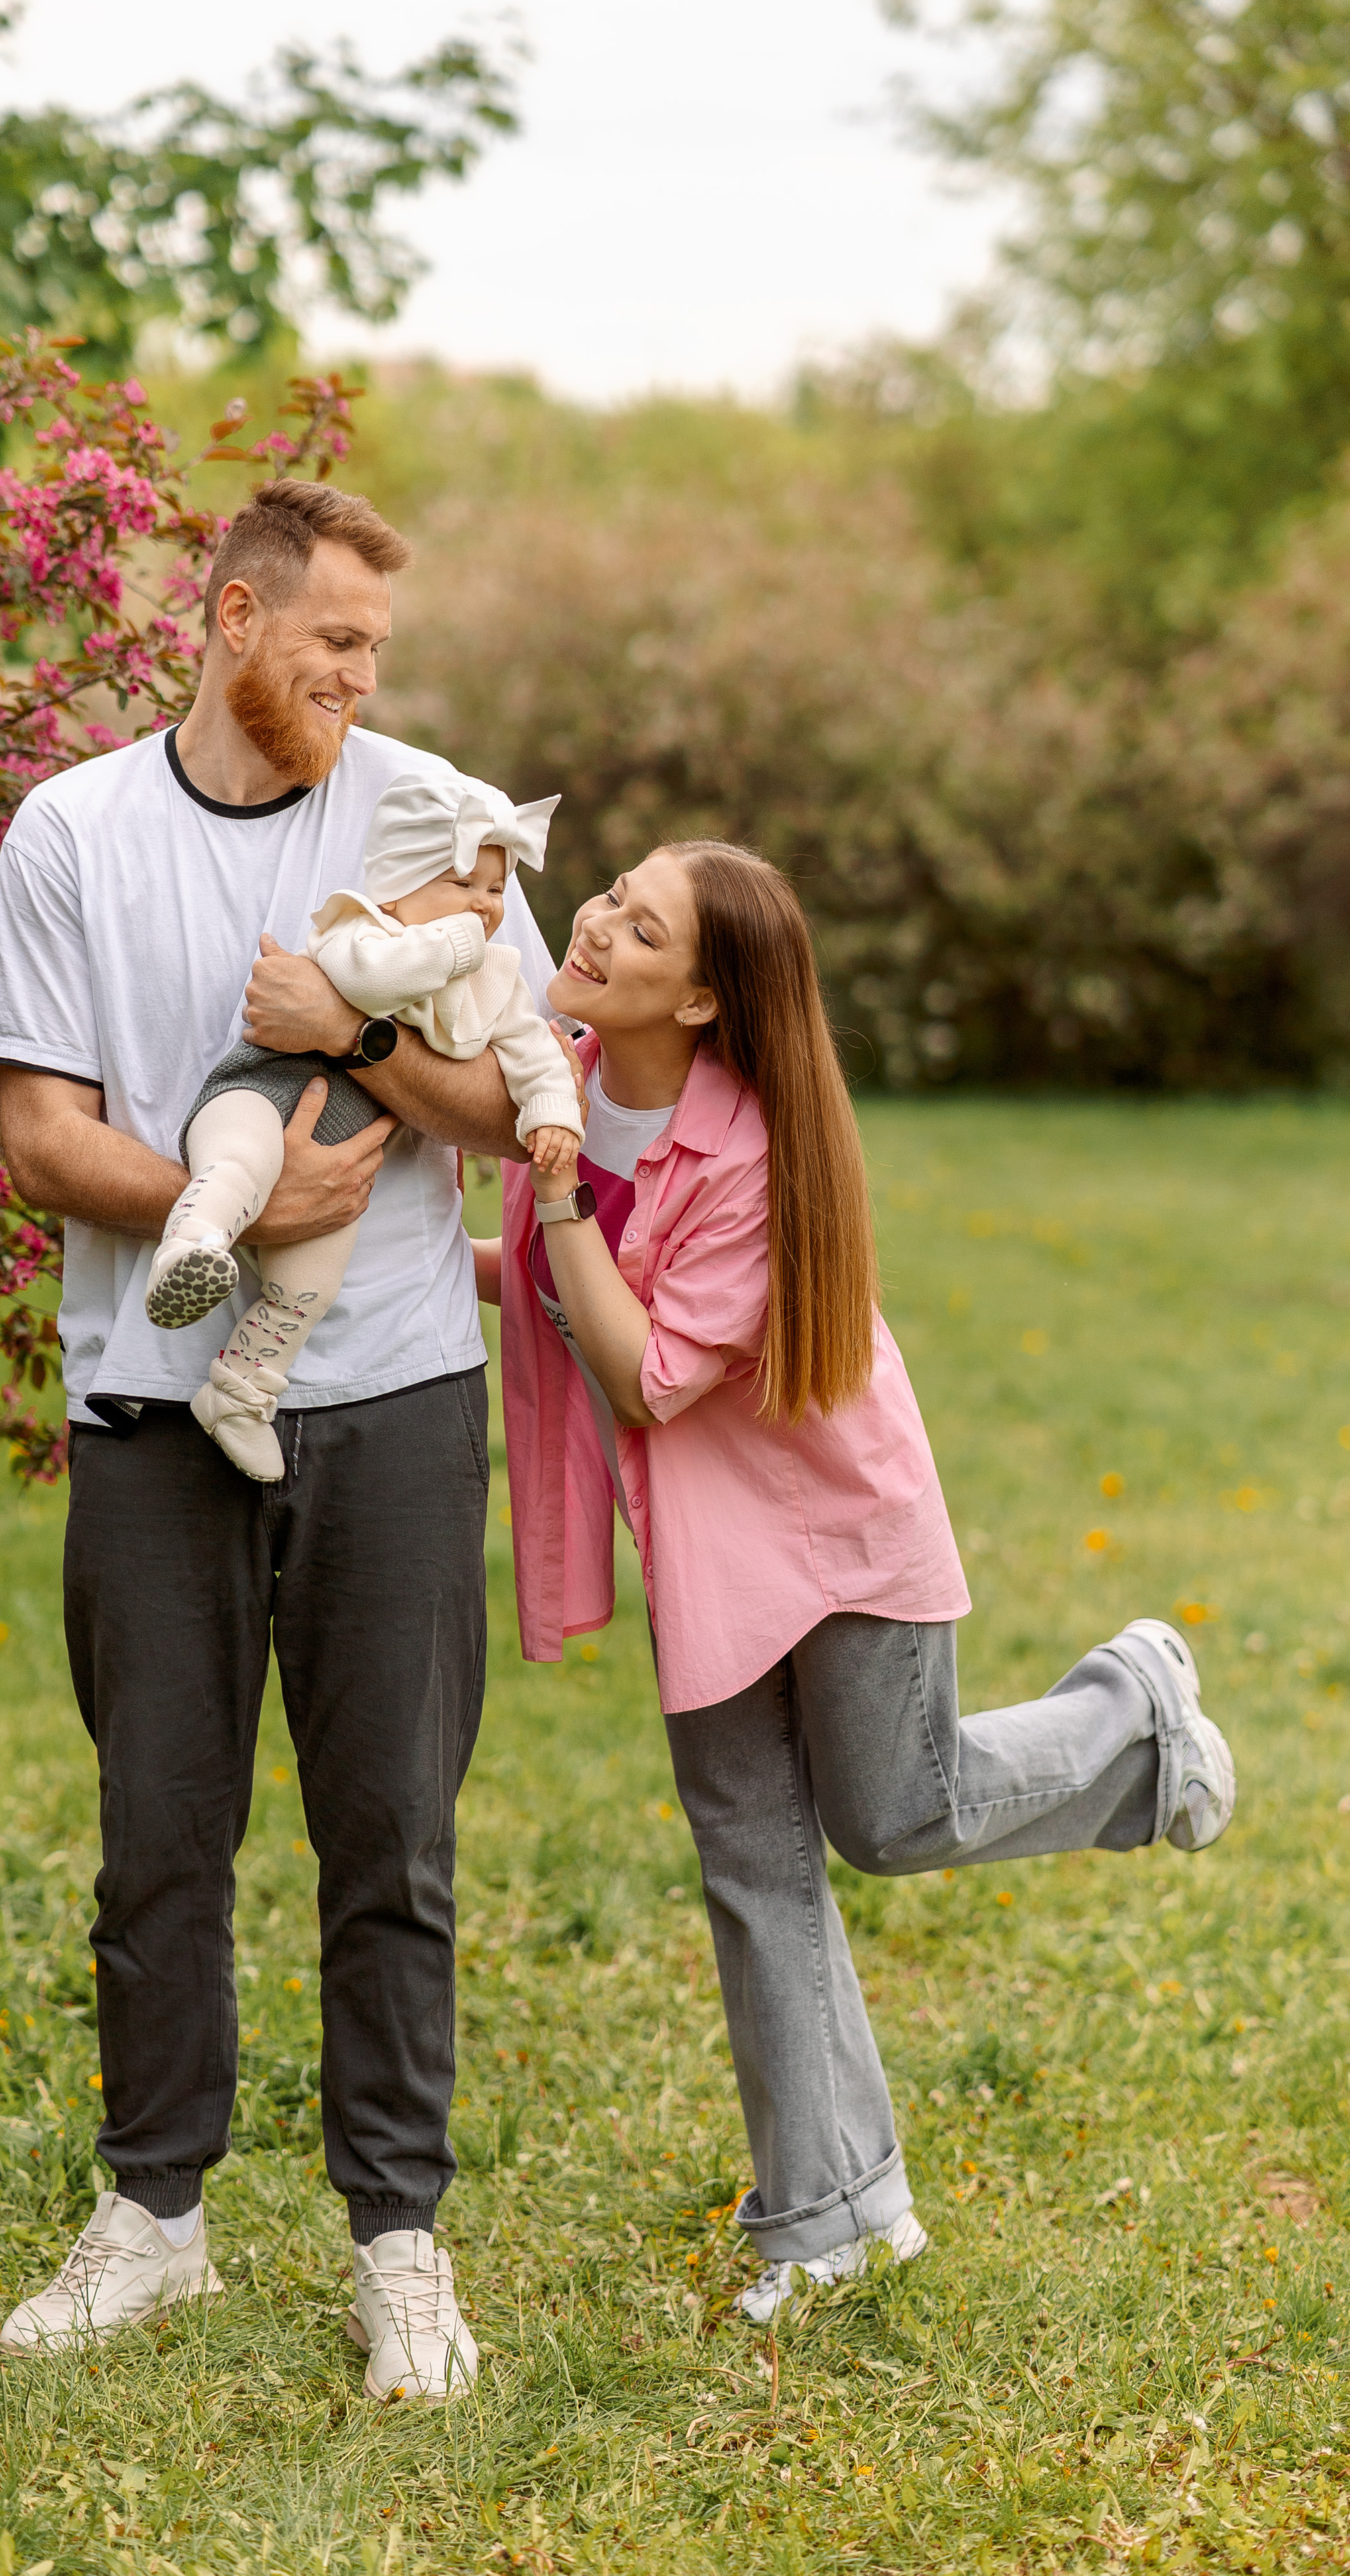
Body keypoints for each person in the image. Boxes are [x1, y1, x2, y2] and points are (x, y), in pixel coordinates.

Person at [0, 476, 555, 2401]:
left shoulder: (436, 813)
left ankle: (400, 2240)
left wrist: (360, 1042)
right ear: (232, 619)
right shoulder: (74, 829)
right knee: (160, 1837)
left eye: (378, 648)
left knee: (390, 1830)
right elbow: (38, 1134)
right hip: (149, 1402)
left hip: (390, 1398)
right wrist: (238, 1214)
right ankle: (157, 2219)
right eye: (336, 647)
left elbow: (513, 1091)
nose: (367, 680)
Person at [482, 839, 1237, 2323]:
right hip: (707, 1550)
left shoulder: (744, 1150)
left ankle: (1129, 1715)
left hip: (834, 1537)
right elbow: (536, 1290)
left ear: (700, 999)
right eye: (610, 894)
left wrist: (560, 1197)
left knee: (895, 1820)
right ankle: (829, 2217)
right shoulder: (558, 1067)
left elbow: (639, 1375)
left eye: (640, 927)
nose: (595, 923)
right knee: (753, 1865)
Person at [144, 769, 581, 1481]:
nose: (484, 907)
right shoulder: (359, 928)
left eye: (496, 891)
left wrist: (553, 1111)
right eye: (463, 883)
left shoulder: (494, 979)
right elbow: (376, 984)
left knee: (309, 1285)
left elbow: (533, 1051)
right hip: (262, 1093)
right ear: (399, 883)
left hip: (339, 1165)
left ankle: (239, 1394)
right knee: (237, 1163)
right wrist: (454, 947)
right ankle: (193, 1245)